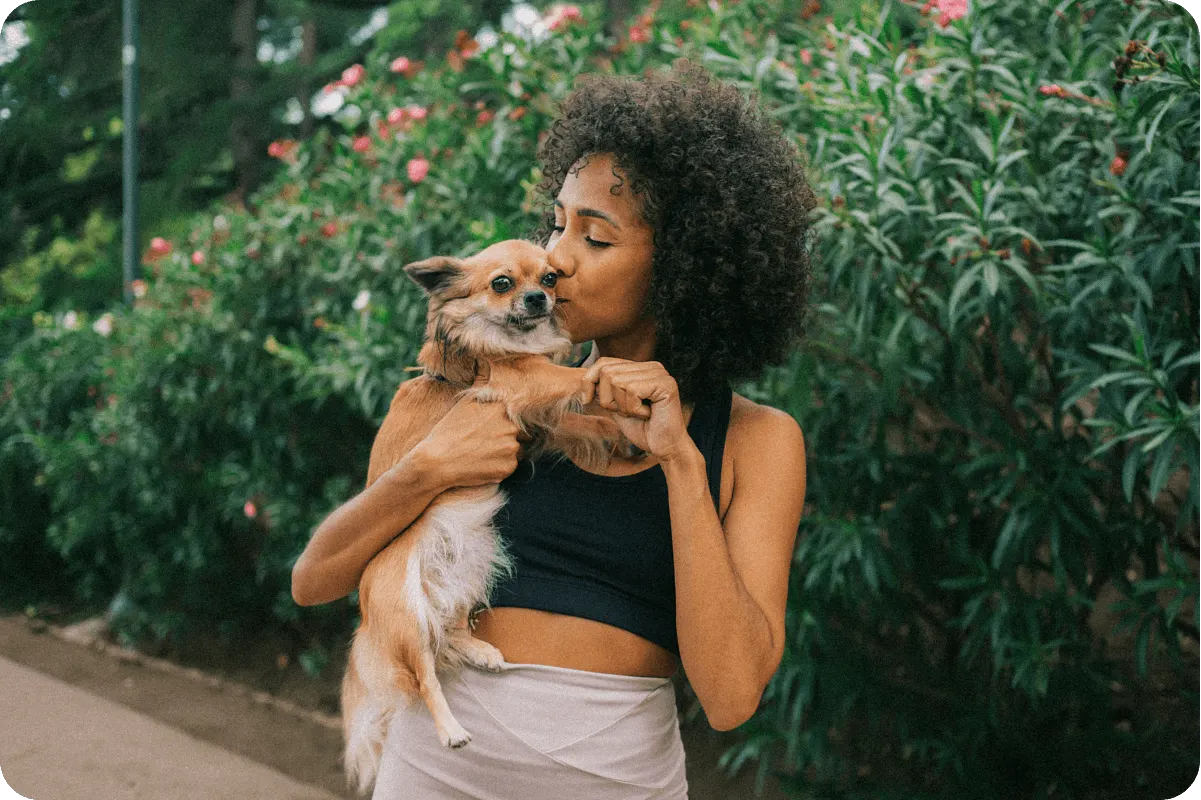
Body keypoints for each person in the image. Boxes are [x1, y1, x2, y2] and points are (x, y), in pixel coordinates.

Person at [292, 57, 815, 799]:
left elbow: (730, 697)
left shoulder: (756, 441)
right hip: (430, 773)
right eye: (557, 222)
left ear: (684, 270)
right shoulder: (483, 385)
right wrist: (431, 466)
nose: (556, 260)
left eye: (594, 239)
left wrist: (680, 461)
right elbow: (315, 581)